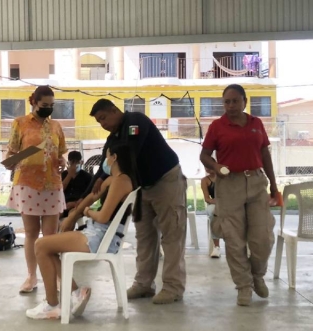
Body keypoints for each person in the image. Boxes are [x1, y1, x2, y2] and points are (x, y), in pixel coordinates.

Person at [63, 98, 187, 305]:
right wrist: (82, 199)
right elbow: (99, 174)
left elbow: (129, 153)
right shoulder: (112, 139)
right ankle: (144, 284)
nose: (102, 124)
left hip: (165, 180)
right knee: (144, 235)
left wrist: (106, 177)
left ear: (114, 110)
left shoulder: (135, 121)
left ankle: (173, 287)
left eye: (103, 118)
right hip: (142, 187)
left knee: (172, 235)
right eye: (98, 122)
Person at [26, 143, 141, 320]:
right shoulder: (113, 179)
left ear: (114, 158)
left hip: (102, 237)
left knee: (41, 245)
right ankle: (75, 292)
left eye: (107, 156)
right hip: (98, 233)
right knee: (47, 248)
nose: (105, 160)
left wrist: (85, 211)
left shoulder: (121, 181)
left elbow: (103, 217)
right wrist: (75, 214)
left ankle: (52, 304)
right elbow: (91, 196)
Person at [199, 84, 278, 306]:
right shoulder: (217, 126)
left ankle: (257, 275)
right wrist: (216, 166)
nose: (231, 105)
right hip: (228, 184)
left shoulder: (256, 124)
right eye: (226, 102)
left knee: (263, 237)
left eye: (235, 101)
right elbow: (204, 155)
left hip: (255, 182)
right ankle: (243, 286)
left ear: (245, 101)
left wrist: (273, 184)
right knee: (234, 240)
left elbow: (264, 153)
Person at [5, 86, 67, 293]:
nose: (48, 109)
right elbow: (11, 153)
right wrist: (24, 157)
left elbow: (62, 152)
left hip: (52, 183)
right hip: (27, 183)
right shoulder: (20, 123)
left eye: (51, 106)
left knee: (50, 236)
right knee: (31, 233)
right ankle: (31, 277)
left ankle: (55, 276)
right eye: (44, 105)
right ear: (34, 102)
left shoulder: (57, 126)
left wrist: (62, 162)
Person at [61, 151, 93, 219]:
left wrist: (75, 203)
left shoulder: (87, 177)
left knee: (72, 215)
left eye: (77, 162)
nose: (75, 165)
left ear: (81, 162)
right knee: (56, 215)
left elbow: (89, 195)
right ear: (68, 163)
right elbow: (60, 190)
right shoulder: (63, 175)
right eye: (72, 162)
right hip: (63, 205)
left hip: (79, 205)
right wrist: (69, 175)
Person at [201, 165, 222, 258]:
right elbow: (206, 198)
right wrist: (216, 201)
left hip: (228, 202)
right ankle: (216, 247)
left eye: (209, 166)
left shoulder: (224, 177)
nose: (207, 168)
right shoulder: (205, 180)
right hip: (214, 203)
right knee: (212, 211)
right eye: (205, 167)